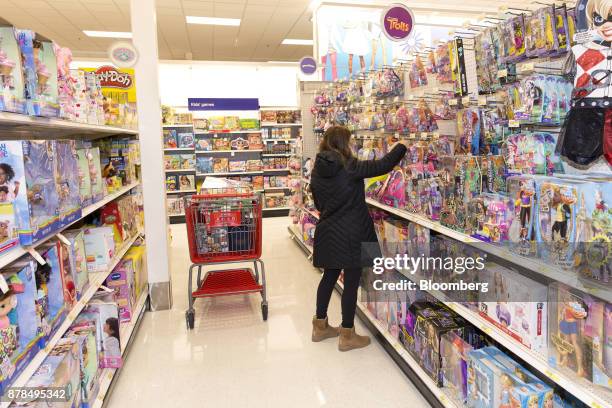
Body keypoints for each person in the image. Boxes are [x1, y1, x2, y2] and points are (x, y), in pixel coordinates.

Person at [310, 126, 408, 351]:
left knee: (329, 276)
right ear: (344, 143)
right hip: (352, 232)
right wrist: (401, 146)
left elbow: (318, 203)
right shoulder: (348, 166)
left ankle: (320, 326)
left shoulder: (317, 169)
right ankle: (347, 334)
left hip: (328, 231)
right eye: (350, 141)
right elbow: (382, 165)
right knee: (352, 281)